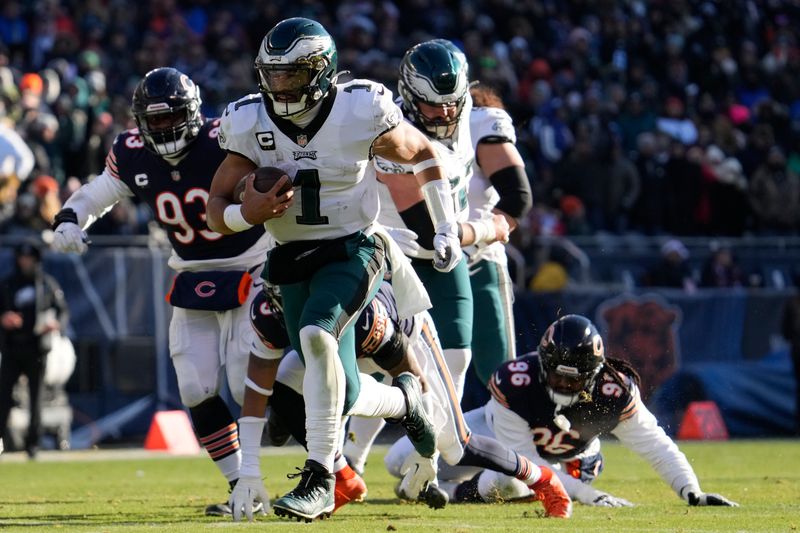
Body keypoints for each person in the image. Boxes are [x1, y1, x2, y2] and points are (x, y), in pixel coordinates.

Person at [205, 18, 459, 521]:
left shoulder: (360, 108)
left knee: (317, 337)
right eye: (272, 75)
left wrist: (445, 226)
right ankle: (406, 401)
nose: (279, 86)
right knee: (339, 382)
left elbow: (424, 154)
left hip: (353, 248)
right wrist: (245, 215)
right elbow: (215, 207)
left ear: (322, 72)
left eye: (292, 75)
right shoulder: (248, 121)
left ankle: (321, 477)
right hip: (291, 256)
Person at [50, 67, 272, 517]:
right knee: (193, 385)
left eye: (172, 119)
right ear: (139, 123)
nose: (165, 130)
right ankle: (238, 487)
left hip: (254, 265)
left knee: (242, 377)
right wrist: (69, 217)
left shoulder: (225, 137)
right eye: (155, 122)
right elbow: (98, 193)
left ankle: (322, 460)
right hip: (192, 273)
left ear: (192, 114)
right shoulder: (132, 152)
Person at [234, 281, 571, 521]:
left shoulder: (360, 310)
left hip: (403, 341)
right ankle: (342, 475)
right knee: (284, 383)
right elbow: (256, 385)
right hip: (337, 342)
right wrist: (248, 470)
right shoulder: (270, 311)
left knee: (454, 445)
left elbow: (405, 369)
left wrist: (422, 433)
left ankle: (542, 479)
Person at [427, 314, 738, 509]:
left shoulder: (613, 391)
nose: (563, 384)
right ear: (542, 363)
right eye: (556, 374)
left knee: (512, 483)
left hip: (568, 457)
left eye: (573, 378)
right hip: (491, 436)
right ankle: (430, 483)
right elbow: (522, 460)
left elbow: (655, 444)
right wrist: (587, 495)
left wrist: (690, 490)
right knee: (399, 461)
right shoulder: (516, 382)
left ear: (593, 373)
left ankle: (452, 493)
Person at [374, 40, 510, 403]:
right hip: (396, 255)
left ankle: (439, 450)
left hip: (448, 254)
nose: (445, 114)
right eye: (433, 106)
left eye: (452, 103)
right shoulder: (392, 130)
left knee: (456, 356)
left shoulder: (470, 116)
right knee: (384, 362)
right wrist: (487, 229)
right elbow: (426, 228)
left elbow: (518, 196)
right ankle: (352, 452)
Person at [461, 83, 532, 410]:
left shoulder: (480, 122)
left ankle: (516, 456)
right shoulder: (406, 121)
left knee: (499, 374)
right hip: (421, 261)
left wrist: (482, 232)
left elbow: (518, 196)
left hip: (476, 258)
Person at [0, 240, 68, 458]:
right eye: (23, 257)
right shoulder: (8, 283)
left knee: (36, 398)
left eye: (30, 258)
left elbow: (62, 311)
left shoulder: (46, 284)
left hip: (37, 348)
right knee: (4, 397)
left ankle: (33, 445)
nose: (26, 262)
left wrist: (56, 324)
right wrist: (4, 318)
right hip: (12, 347)